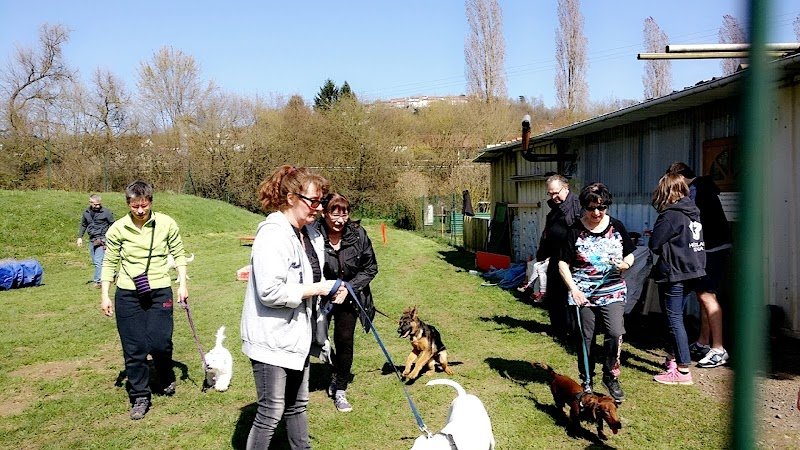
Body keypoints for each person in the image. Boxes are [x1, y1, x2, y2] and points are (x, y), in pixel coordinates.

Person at [241, 165, 344, 449]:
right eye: (313, 201)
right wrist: (320, 288)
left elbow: (309, 275)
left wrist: (332, 287)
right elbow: (270, 292)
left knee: (298, 405)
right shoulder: (273, 233)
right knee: (271, 412)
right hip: (271, 338)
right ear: (290, 198)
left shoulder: (309, 234)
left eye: (321, 202)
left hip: (298, 336)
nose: (319, 208)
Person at [99, 181, 188, 420]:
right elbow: (109, 262)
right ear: (128, 204)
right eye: (135, 206)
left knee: (159, 342)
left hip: (159, 290)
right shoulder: (117, 229)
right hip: (128, 293)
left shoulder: (166, 223)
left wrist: (182, 283)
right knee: (134, 348)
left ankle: (165, 374)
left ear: (151, 201)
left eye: (144, 205)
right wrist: (105, 294)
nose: (140, 210)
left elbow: (179, 253)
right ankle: (140, 395)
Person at [557, 182, 635, 402]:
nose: (597, 212)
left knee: (615, 332)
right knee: (586, 338)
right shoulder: (574, 231)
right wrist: (574, 290)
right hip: (583, 294)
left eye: (602, 207)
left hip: (613, 290)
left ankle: (610, 375)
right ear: (584, 207)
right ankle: (587, 381)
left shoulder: (617, 226)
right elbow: (563, 263)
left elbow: (630, 254)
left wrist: (625, 265)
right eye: (591, 208)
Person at [318, 193, 379, 413]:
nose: (340, 220)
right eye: (335, 214)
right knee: (317, 340)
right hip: (320, 295)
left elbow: (370, 267)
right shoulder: (313, 234)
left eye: (344, 214)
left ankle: (341, 387)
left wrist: (348, 288)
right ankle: (334, 366)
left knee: (344, 339)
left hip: (350, 295)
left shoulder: (358, 235)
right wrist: (325, 289)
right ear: (324, 213)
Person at [667, 162, 731, 368]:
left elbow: (689, 220)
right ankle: (704, 342)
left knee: (707, 295)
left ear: (680, 176)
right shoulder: (703, 187)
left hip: (711, 249)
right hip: (712, 248)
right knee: (703, 294)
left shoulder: (696, 191)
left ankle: (718, 349)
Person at [649, 173, 706, 385]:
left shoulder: (671, 215)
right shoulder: (693, 211)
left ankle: (682, 371)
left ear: (666, 191)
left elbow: (654, 243)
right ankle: (672, 359)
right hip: (693, 270)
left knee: (674, 320)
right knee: (677, 318)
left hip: (675, 273)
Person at [538, 174, 582, 340]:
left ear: (566, 188)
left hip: (571, 259)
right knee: (555, 296)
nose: (553, 197)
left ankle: (573, 331)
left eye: (556, 193)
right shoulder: (556, 208)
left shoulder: (577, 207)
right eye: (550, 194)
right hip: (556, 257)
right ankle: (558, 330)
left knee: (570, 295)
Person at [77, 194, 115, 287]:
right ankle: (113, 274)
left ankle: (98, 281)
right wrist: (80, 237)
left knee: (98, 261)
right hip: (92, 240)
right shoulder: (86, 212)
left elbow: (113, 225)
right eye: (95, 204)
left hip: (102, 239)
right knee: (95, 261)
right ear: (90, 202)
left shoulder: (106, 212)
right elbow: (83, 225)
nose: (97, 206)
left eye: (99, 204)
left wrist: (110, 238)